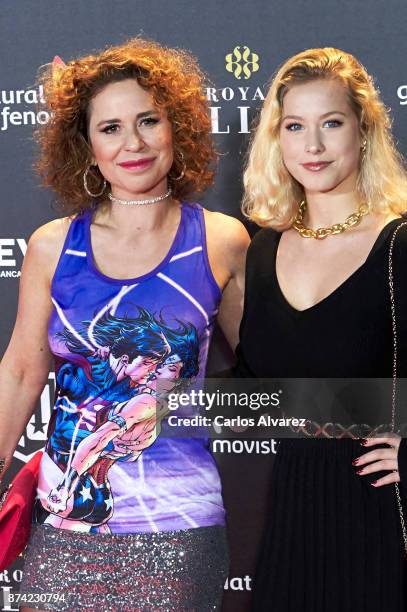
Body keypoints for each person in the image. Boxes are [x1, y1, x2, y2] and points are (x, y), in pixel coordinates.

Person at [0, 38, 250, 611]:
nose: (132, 143)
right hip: (66, 526)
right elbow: (18, 373)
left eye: (147, 121)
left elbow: (266, 373)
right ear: (86, 145)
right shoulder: (52, 246)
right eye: (109, 128)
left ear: (176, 129)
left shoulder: (221, 240)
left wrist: (369, 417)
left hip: (178, 522)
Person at [235, 47, 407, 611]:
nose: (312, 146)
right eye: (295, 127)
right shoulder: (262, 252)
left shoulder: (398, 244)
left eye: (331, 123)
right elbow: (254, 389)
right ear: (276, 139)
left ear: (363, 132)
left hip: (386, 513)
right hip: (292, 512)